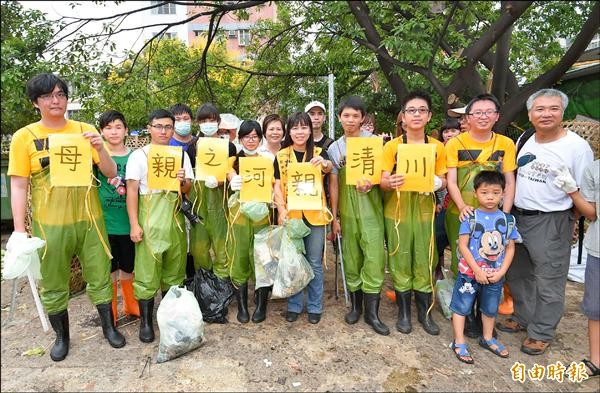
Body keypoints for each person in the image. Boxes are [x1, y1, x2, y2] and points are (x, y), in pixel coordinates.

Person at [7, 73, 125, 361]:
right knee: (54, 279)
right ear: (36, 102)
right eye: (47, 96)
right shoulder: (25, 137)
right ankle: (62, 337)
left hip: (90, 219)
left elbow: (110, 173)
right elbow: (19, 184)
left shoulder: (84, 130)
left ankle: (108, 328)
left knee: (99, 274)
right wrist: (20, 229)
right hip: (50, 224)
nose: (56, 100)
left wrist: (99, 148)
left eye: (60, 94)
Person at [500, 88, 594, 355]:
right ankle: (523, 317)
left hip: (551, 220)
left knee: (549, 279)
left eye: (553, 108)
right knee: (518, 274)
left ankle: (541, 331)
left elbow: (585, 192)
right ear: (530, 115)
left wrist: (569, 220)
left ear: (562, 112)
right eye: (540, 109)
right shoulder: (525, 138)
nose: (546, 114)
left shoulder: (576, 147)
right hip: (519, 216)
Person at [444, 93, 517, 339]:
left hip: (495, 217)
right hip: (462, 214)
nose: (483, 117)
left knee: (491, 261)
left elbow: (509, 180)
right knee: (463, 263)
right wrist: (463, 205)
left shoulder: (505, 144)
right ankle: (465, 312)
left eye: (489, 112)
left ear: (497, 116)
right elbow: (451, 180)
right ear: (468, 117)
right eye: (478, 113)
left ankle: (481, 313)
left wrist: (505, 215)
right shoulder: (455, 144)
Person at [380, 91, 447, 336]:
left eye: (421, 110)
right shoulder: (392, 147)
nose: (416, 115)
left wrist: (437, 183)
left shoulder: (438, 147)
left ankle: (424, 312)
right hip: (397, 211)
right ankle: (404, 313)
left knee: (425, 257)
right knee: (399, 257)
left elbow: (445, 178)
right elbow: (383, 179)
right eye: (411, 110)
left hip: (424, 211)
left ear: (429, 116)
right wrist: (391, 182)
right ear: (403, 117)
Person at [126, 109, 193, 342]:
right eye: (158, 126)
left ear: (173, 129)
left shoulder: (181, 155)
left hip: (174, 221)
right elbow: (132, 191)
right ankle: (146, 322)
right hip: (150, 220)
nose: (163, 131)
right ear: (149, 128)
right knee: (146, 272)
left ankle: (168, 320)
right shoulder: (139, 156)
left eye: (168, 127)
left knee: (174, 272)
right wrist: (134, 224)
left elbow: (186, 189)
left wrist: (183, 179)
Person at [328, 96, 389, 335]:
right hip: (347, 209)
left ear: (363, 118)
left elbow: (384, 176)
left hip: (371, 208)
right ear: (339, 118)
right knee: (351, 256)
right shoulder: (335, 148)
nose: (350, 120)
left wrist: (372, 183)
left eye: (355, 115)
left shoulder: (375, 143)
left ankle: (372, 313)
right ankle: (356, 306)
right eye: (346, 115)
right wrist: (335, 216)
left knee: (374, 257)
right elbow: (334, 183)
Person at [449, 170, 519, 364]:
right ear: (475, 193)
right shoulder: (470, 218)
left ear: (503, 193)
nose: (490, 197)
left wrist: (502, 272)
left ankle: (488, 338)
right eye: (485, 192)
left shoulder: (508, 220)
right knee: (461, 306)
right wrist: (477, 270)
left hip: (495, 275)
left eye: (495, 193)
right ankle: (459, 340)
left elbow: (510, 247)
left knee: (489, 308)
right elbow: (463, 245)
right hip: (469, 274)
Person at [274, 112, 333, 324]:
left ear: (310, 130)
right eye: (295, 128)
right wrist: (281, 210)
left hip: (315, 215)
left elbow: (329, 169)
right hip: (293, 215)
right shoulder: (281, 156)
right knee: (294, 261)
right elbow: (277, 186)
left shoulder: (319, 152)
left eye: (304, 127)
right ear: (289, 131)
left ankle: (315, 306)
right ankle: (295, 305)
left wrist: (325, 164)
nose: (300, 132)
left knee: (314, 262)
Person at [97, 110, 139, 324]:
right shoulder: (97, 155)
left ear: (125, 130)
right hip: (105, 224)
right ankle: (111, 312)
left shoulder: (136, 156)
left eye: (118, 127)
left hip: (129, 223)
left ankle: (131, 305)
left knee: (129, 267)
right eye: (108, 127)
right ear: (101, 131)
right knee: (110, 270)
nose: (113, 132)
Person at [228, 120, 271, 324]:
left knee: (262, 258)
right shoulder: (233, 161)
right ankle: (243, 306)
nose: (251, 140)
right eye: (247, 137)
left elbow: (275, 183)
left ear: (260, 139)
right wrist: (232, 179)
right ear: (240, 138)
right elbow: (227, 174)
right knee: (239, 257)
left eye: (255, 136)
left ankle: (261, 305)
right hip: (239, 218)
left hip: (262, 217)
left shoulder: (267, 160)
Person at [188, 104, 238, 284]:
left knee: (222, 244)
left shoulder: (229, 147)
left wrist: (223, 180)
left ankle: (223, 285)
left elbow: (231, 171)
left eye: (211, 120)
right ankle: (205, 285)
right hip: (199, 201)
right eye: (203, 121)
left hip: (220, 199)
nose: (208, 124)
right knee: (199, 247)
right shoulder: (193, 147)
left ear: (218, 122)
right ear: (198, 123)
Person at [565, 160, 599, 376]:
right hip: (598, 248)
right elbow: (592, 213)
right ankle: (596, 361)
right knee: (595, 308)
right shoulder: (595, 168)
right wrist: (573, 193)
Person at [434, 118, 461, 281]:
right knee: (437, 236)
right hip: (444, 203)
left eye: (453, 130)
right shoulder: (439, 150)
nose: (449, 134)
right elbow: (435, 179)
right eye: (446, 131)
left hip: (463, 204)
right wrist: (437, 201)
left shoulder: (464, 148)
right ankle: (437, 267)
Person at [169, 103, 199, 168]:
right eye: (177, 119)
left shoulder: (198, 142)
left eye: (186, 119)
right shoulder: (166, 144)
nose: (182, 122)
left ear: (192, 121)